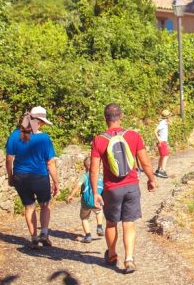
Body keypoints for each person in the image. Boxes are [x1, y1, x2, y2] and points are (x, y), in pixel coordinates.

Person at [90, 103, 157, 274]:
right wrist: (151, 179)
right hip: (131, 186)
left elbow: (94, 169)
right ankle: (129, 260)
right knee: (129, 224)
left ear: (106, 119)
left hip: (111, 189)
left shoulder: (99, 140)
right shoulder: (133, 136)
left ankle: (112, 255)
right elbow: (145, 162)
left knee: (111, 223)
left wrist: (96, 192)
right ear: (121, 117)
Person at [6, 106, 59, 248]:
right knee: (45, 205)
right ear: (39, 122)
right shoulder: (44, 138)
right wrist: (56, 182)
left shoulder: (14, 135)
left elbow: (9, 159)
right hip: (39, 177)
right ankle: (45, 234)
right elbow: (50, 162)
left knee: (29, 207)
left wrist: (10, 177)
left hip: (20, 177)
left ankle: (34, 238)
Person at [66, 157, 104, 243]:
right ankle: (99, 227)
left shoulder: (84, 176)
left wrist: (71, 195)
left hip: (86, 202)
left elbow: (77, 186)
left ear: (85, 166)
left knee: (84, 218)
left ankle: (88, 236)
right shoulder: (100, 176)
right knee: (99, 211)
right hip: (97, 200)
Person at [154, 109, 171, 178]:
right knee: (165, 156)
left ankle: (158, 170)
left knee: (162, 156)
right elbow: (155, 131)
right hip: (162, 142)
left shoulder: (164, 122)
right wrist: (159, 140)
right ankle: (162, 171)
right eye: (169, 116)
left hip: (163, 142)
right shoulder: (162, 123)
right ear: (167, 117)